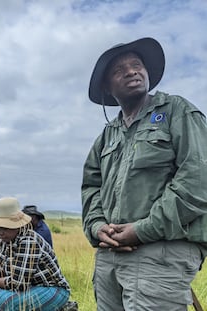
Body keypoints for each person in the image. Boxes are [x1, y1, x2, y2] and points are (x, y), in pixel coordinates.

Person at [82, 37, 207, 310]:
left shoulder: (177, 110)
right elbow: (91, 186)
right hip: (109, 256)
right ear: (107, 87)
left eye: (136, 65)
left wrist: (143, 229)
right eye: (119, 70)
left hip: (161, 251)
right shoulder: (107, 135)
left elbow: (198, 178)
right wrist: (96, 227)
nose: (131, 71)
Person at [0, 197, 70, 311]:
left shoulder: (29, 241)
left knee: (7, 302)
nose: (0, 232)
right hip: (28, 287)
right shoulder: (0, 238)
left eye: (5, 228)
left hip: (51, 289)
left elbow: (17, 285)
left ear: (17, 225)